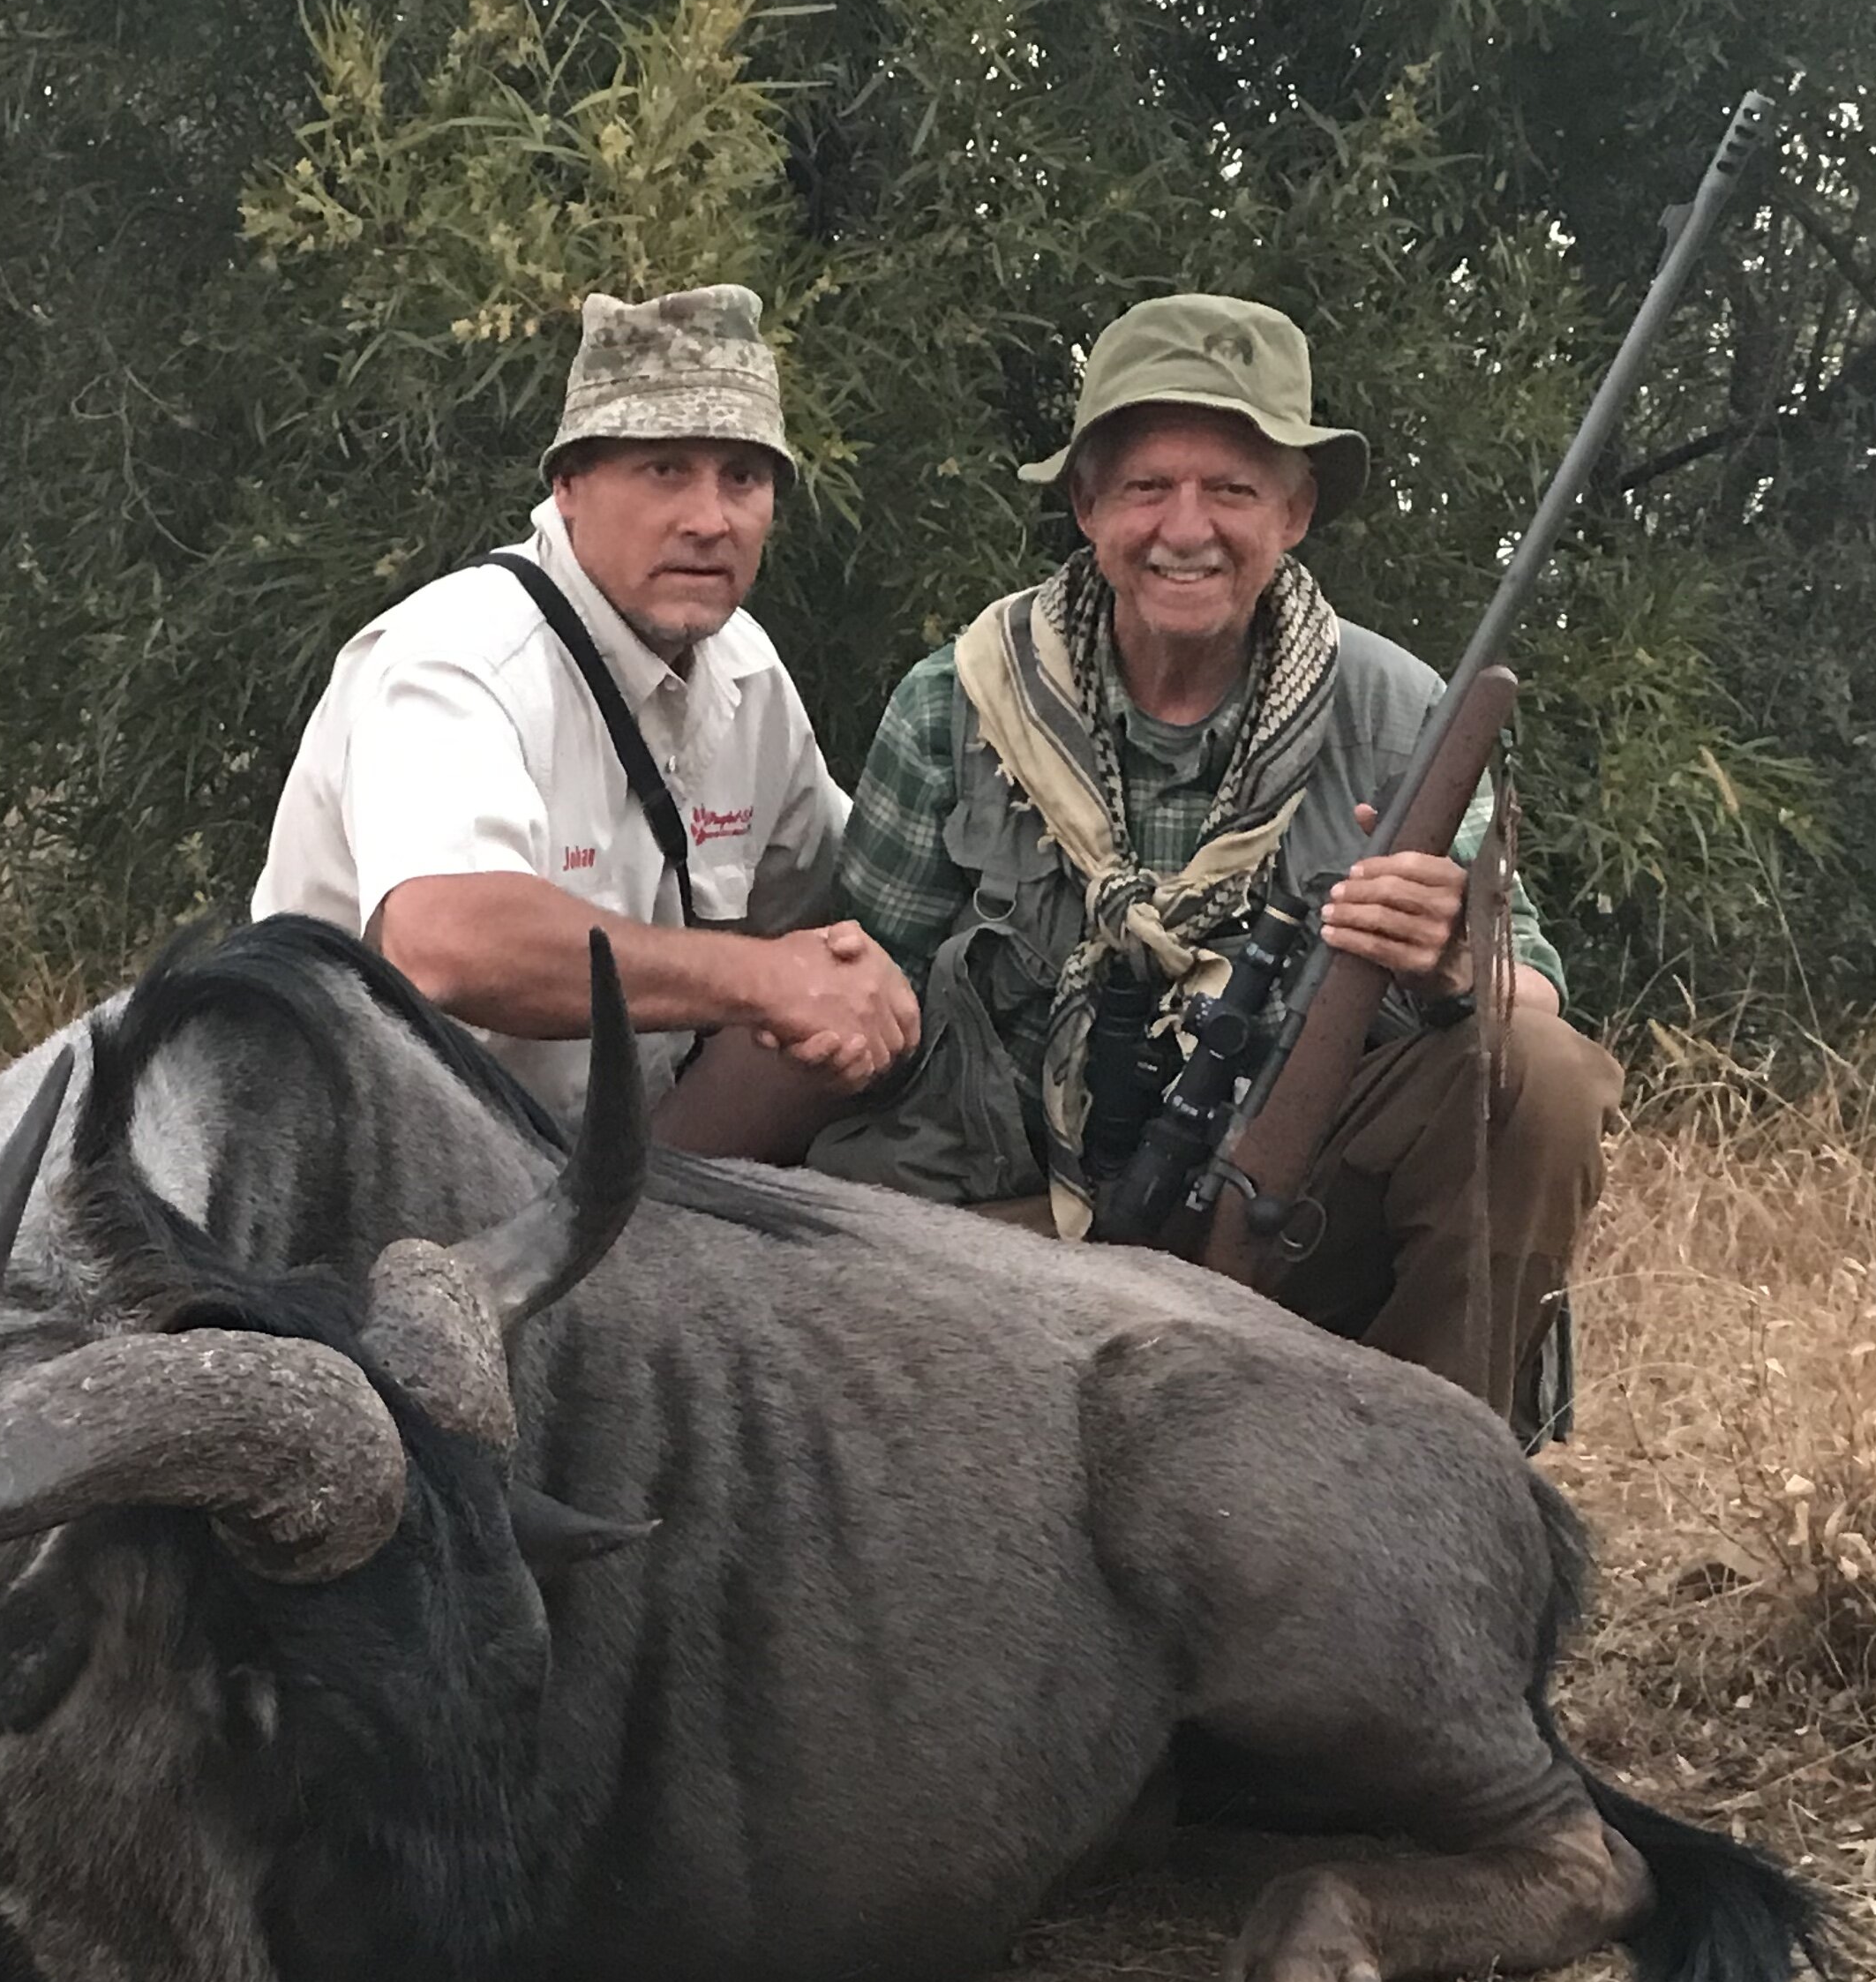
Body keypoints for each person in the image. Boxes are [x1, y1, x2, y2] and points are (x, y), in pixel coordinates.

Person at [820, 292, 1622, 1424]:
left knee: (1537, 1073)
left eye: (1232, 490)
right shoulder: (956, 703)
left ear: (1293, 512)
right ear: (1089, 507)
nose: (1184, 528)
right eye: (1147, 487)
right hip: (1002, 1235)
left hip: (1286, 1214)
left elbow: (1530, 987)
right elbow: (864, 1006)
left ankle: (1443, 1474)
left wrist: (1451, 956)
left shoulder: (1401, 714)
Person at [252, 283, 913, 1155]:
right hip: (362, 1166)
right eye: (665, 470)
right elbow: (444, 941)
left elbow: (846, 894)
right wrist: (760, 977)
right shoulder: (457, 655)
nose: (709, 520)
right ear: (568, 484)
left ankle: (659, 1263)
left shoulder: (748, 677)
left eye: (743, 477)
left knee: (860, 1013)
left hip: (595, 1174)